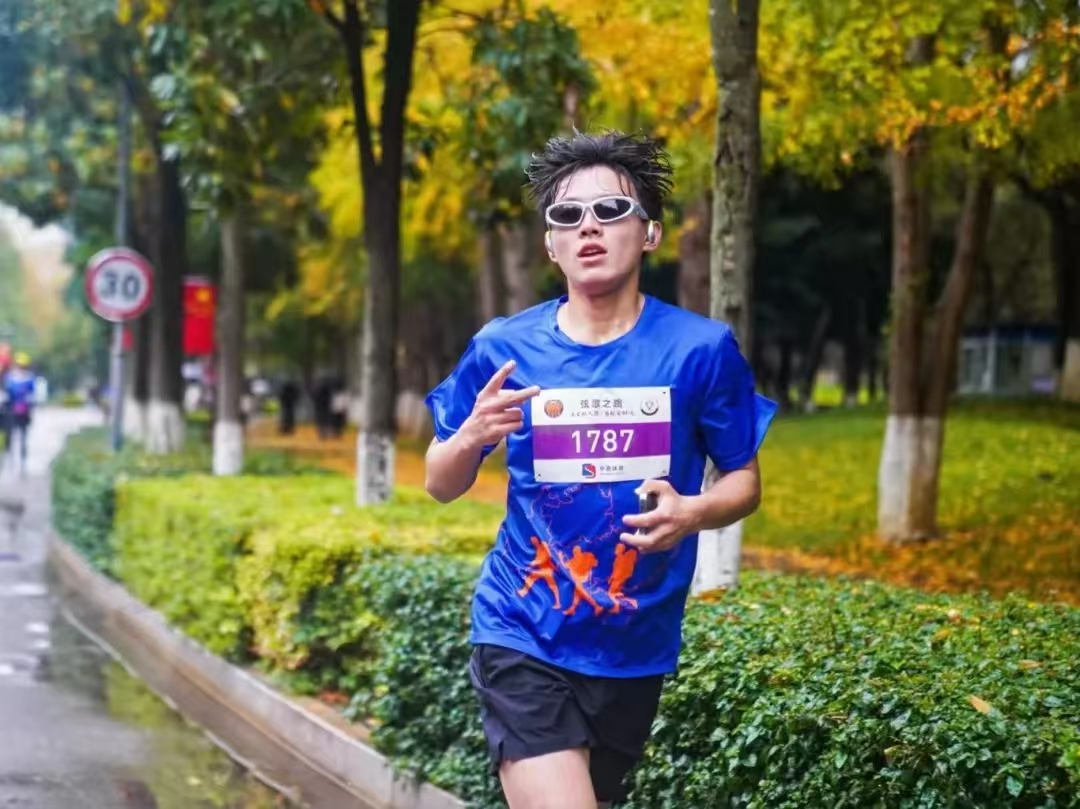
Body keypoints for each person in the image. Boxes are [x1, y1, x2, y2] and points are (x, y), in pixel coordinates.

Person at [423, 131, 777, 809]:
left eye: (611, 211)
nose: (588, 226)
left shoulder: (701, 350)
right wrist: (469, 435)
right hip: (522, 628)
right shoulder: (503, 347)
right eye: (567, 216)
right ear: (551, 245)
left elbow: (743, 481)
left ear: (650, 234)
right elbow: (440, 482)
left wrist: (692, 512)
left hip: (634, 644)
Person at [3, 352, 37, 473]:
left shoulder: (30, 379)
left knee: (23, 437)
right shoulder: (10, 378)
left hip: (24, 411)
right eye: (19, 365)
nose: (21, 368)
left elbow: (32, 395)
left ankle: (23, 462)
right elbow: (7, 394)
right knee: (9, 435)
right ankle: (9, 458)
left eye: (23, 366)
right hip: (11, 411)